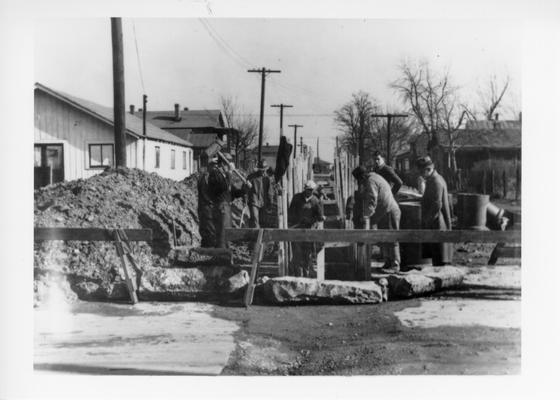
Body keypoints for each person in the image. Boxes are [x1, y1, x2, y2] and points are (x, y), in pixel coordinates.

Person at [352, 165, 401, 271]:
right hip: (384, 211)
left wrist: (365, 217)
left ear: (362, 177)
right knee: (385, 238)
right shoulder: (373, 176)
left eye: (359, 180)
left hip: (389, 210)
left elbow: (371, 200)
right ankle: (388, 262)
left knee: (392, 238)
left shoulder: (370, 181)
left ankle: (395, 265)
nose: (359, 182)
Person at [208, 153, 251, 248]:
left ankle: (225, 255)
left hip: (226, 206)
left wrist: (245, 189)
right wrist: (230, 173)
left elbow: (233, 193)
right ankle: (221, 256)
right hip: (220, 207)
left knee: (227, 233)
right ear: (223, 164)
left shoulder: (225, 176)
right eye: (228, 164)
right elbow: (223, 187)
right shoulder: (215, 173)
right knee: (222, 233)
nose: (229, 167)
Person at [417, 156, 453, 266]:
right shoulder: (433, 179)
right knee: (437, 256)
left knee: (439, 258)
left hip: (438, 222)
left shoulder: (436, 181)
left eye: (422, 172)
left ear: (429, 169)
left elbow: (437, 204)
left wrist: (426, 221)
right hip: (435, 221)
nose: (421, 175)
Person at [288, 180, 325, 277]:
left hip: (309, 232)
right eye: (308, 190)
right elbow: (291, 212)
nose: (309, 192)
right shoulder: (297, 198)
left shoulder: (315, 201)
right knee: (297, 253)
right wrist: (295, 222)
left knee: (307, 254)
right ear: (304, 189)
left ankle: (306, 274)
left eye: (311, 190)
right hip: (297, 230)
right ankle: (297, 275)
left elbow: (320, 216)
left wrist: (314, 219)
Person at [246, 160, 274, 228]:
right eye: (262, 170)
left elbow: (270, 193)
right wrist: (246, 186)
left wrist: (270, 203)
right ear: (258, 169)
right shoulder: (251, 177)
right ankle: (256, 237)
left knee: (263, 222)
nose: (263, 172)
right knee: (255, 220)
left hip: (263, 202)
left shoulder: (267, 179)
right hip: (254, 202)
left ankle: (260, 237)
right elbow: (244, 190)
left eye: (264, 170)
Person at [197, 157, 218, 247]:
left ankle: (206, 246)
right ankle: (209, 249)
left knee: (207, 228)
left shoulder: (211, 177)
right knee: (208, 228)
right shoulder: (206, 177)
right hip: (206, 207)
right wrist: (213, 202)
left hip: (207, 206)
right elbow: (205, 193)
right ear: (210, 166)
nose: (216, 168)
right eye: (214, 166)